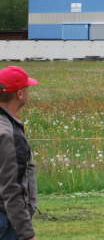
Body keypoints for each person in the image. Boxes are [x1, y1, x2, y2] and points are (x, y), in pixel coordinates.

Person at [0, 66, 38, 240]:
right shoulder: (9, 134)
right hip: (6, 220)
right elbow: (11, 187)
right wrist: (26, 233)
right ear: (20, 94)